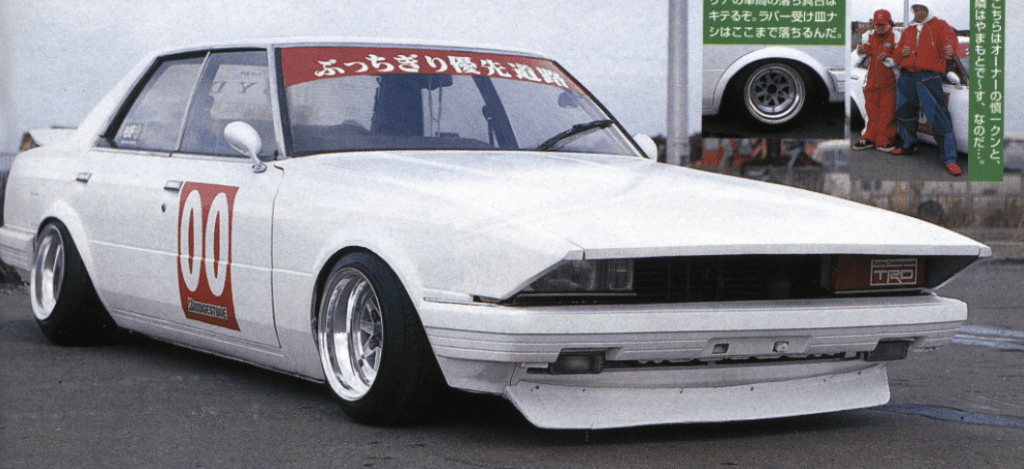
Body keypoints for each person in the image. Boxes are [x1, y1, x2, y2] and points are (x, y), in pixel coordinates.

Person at [891, 2, 961, 176]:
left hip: (929, 76)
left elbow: (952, 44)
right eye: (916, 9)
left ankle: (950, 158)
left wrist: (950, 48)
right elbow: (897, 55)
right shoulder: (908, 30)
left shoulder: (940, 25)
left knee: (937, 115)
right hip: (907, 76)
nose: (919, 13)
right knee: (903, 112)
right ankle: (909, 145)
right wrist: (902, 55)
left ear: (929, 10)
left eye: (923, 9)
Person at [853, 9, 899, 153]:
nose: (880, 27)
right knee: (871, 113)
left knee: (888, 113)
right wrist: (860, 50)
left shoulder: (896, 36)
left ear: (889, 23)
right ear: (873, 24)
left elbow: (900, 58)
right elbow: (864, 51)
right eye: (877, 24)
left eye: (883, 24)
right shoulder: (869, 35)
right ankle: (868, 138)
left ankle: (884, 141)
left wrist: (888, 58)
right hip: (872, 81)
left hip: (890, 81)